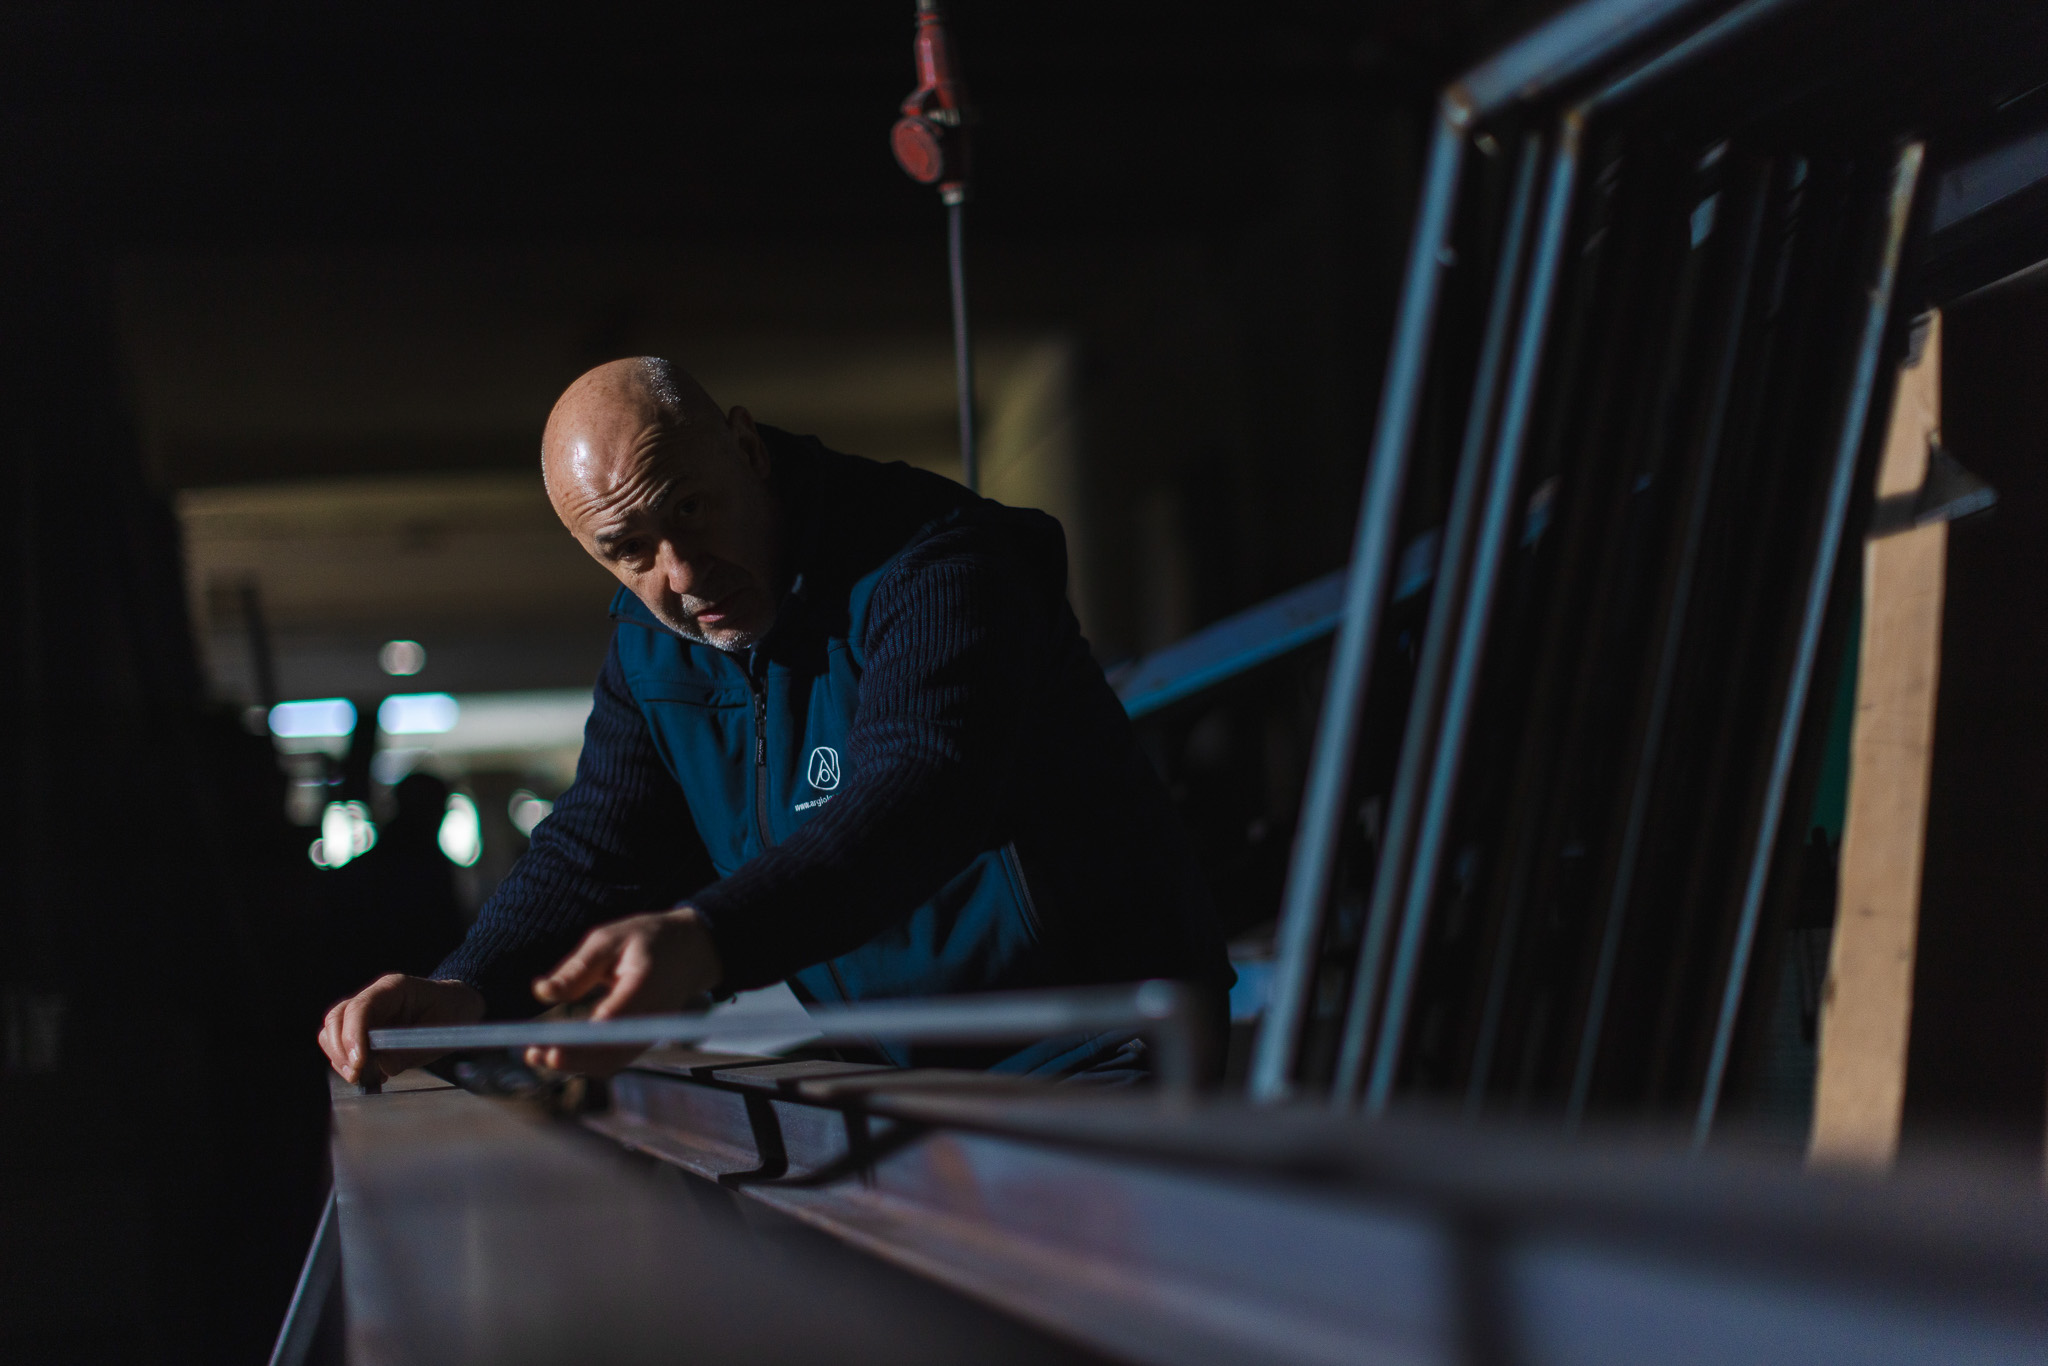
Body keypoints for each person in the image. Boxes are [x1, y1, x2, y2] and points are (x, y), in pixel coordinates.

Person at [319, 357, 1228, 1085]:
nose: (680, 572)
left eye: (691, 509)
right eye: (629, 550)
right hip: (910, 1059)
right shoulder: (653, 644)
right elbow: (597, 846)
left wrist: (710, 941)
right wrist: (468, 986)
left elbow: (920, 788)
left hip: (1098, 1042)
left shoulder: (937, 561)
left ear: (748, 448)